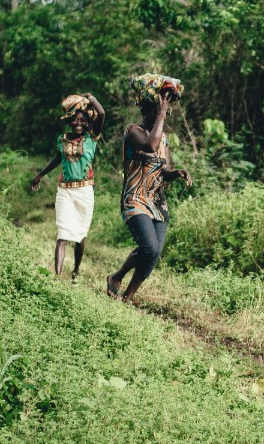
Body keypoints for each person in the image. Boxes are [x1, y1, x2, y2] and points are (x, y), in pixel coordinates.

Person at [106, 74, 192, 303]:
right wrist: (161, 113)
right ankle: (116, 277)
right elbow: (149, 145)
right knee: (148, 246)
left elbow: (163, 171)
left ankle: (128, 297)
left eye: (163, 112)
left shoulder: (164, 140)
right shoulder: (133, 131)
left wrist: (177, 173)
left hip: (157, 202)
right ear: (146, 110)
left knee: (154, 253)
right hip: (134, 199)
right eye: (158, 111)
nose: (162, 116)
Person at [29, 93, 105, 283]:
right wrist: (40, 175)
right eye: (74, 119)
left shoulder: (91, 138)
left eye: (82, 120)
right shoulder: (61, 139)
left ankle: (76, 271)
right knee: (62, 235)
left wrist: (90, 98)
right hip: (65, 191)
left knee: (80, 236)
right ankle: (57, 277)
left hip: (85, 192)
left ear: (87, 122)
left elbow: (102, 113)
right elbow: (58, 159)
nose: (78, 123)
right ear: (69, 121)